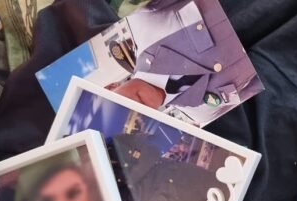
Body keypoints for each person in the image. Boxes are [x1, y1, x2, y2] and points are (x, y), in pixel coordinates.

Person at [112, 0, 263, 126]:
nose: (130, 114)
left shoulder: (142, 19)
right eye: (128, 125)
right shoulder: (203, 113)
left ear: (111, 87)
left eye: (115, 110)